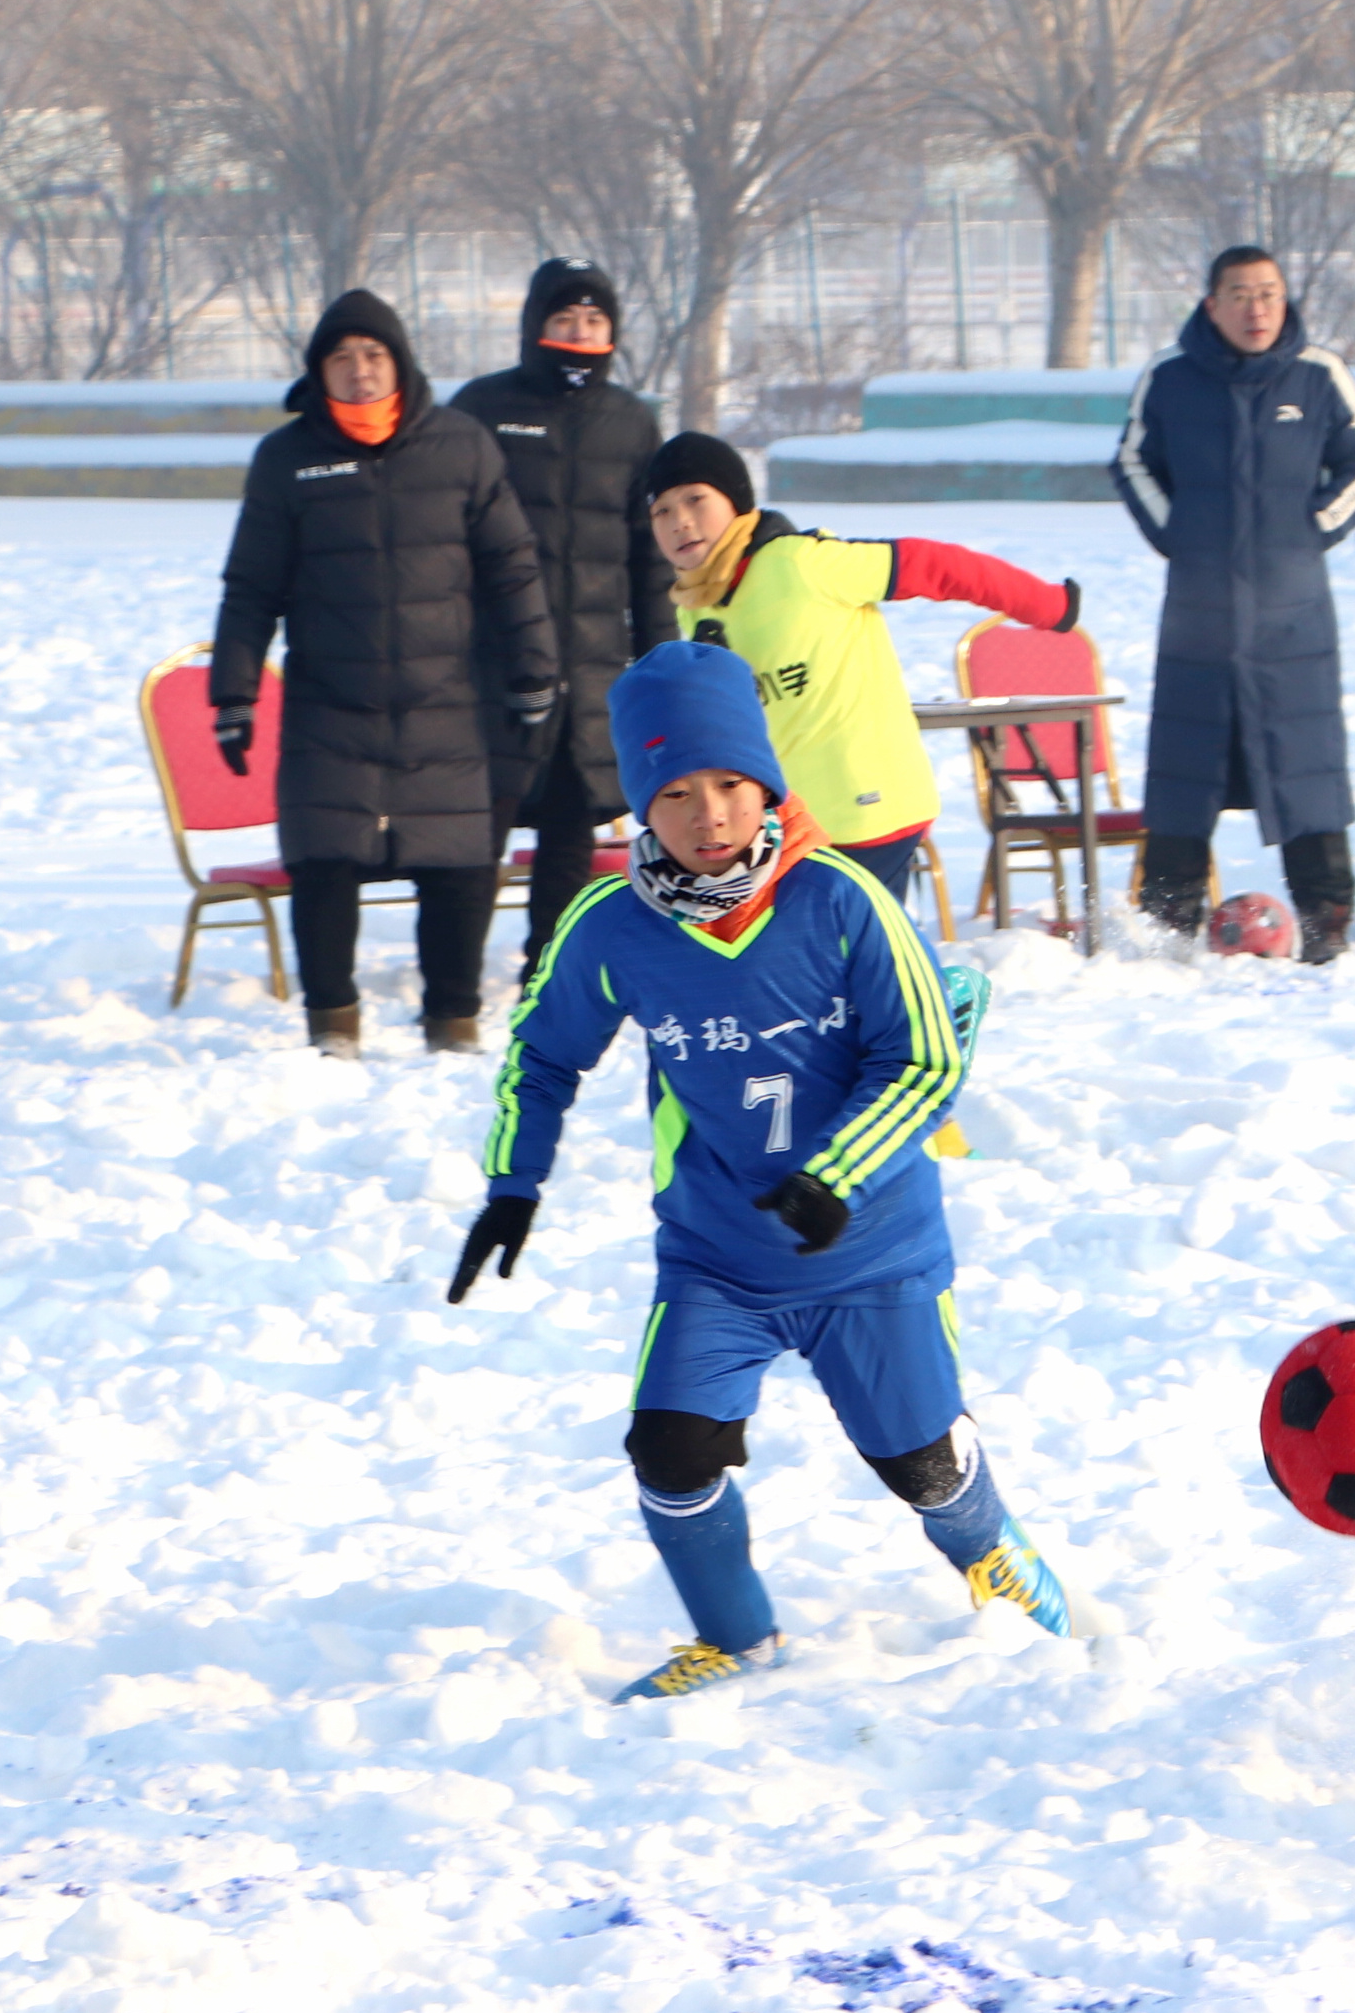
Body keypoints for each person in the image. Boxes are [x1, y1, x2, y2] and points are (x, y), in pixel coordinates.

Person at [448, 640, 1072, 1698]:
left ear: (767, 782)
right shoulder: (613, 927)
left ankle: (993, 1553)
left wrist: (836, 1175)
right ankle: (736, 1637)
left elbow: (924, 1061)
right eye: (678, 794)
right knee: (670, 1452)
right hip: (719, 1261)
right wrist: (516, 1183)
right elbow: (540, 1055)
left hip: (874, 1255)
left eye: (732, 785)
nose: (711, 816)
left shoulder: (841, 902)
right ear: (645, 808)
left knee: (921, 1465)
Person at [211, 289, 556, 1057]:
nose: (361, 373)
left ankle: (453, 1021)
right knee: (324, 864)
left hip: (447, 700)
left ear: (399, 362)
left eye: (374, 356)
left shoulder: (461, 446)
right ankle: (333, 1024)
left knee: (460, 865)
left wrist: (535, 670)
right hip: (329, 705)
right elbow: (251, 584)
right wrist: (232, 693)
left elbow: (511, 565)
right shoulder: (288, 457)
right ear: (319, 371)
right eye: (343, 358)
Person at [647, 431, 1078, 920]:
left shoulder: (805, 564)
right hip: (790, 826)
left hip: (871, 812)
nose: (679, 522)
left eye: (695, 500)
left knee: (852, 967)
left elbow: (940, 566)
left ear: (737, 504)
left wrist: (1047, 605)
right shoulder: (696, 603)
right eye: (661, 510)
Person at [1112, 244, 1355, 961]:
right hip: (1198, 616)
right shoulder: (1170, 377)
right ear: (1213, 304)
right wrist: (1177, 532)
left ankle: (1326, 925)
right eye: (1239, 294)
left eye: (1267, 292)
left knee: (1306, 770)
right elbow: (1133, 460)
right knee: (1184, 771)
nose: (1256, 307)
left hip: (1292, 619)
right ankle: (1166, 925)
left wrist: (1314, 527)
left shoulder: (1319, 374)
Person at [448, 257, 670, 974]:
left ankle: (548, 969)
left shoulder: (633, 422)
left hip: (594, 664)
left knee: (571, 828)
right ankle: (453, 974)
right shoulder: (481, 409)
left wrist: (661, 656)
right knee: (479, 825)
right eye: (565, 319)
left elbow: (650, 555)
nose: (580, 333)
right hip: (496, 665)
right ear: (535, 326)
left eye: (595, 321)